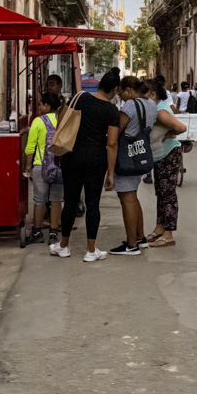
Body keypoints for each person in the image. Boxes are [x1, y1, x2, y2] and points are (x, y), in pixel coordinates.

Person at [109, 77, 183, 255]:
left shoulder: (147, 108)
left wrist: (169, 135)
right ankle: (152, 232)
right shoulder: (151, 106)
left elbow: (180, 127)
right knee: (154, 194)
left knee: (163, 195)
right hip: (150, 154)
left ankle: (156, 237)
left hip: (154, 155)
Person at [58, 67, 122, 262]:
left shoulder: (80, 97)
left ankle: (64, 246)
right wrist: (111, 173)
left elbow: (61, 118)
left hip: (72, 156)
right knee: (93, 204)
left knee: (70, 201)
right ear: (115, 89)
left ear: (99, 84)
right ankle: (90, 250)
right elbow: (111, 143)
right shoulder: (111, 111)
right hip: (96, 160)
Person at [146, 80, 189, 248]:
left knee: (168, 194)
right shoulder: (156, 107)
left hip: (169, 155)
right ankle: (160, 227)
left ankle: (168, 233)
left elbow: (181, 127)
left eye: (145, 94)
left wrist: (170, 132)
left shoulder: (160, 111)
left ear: (153, 94)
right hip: (160, 156)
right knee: (160, 192)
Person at [25, 91, 65, 249]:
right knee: (56, 200)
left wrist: (28, 167)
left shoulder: (38, 122)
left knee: (39, 200)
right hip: (60, 166)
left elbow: (30, 147)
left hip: (41, 166)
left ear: (48, 106)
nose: (39, 106)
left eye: (41, 104)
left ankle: (37, 232)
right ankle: (54, 232)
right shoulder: (62, 121)